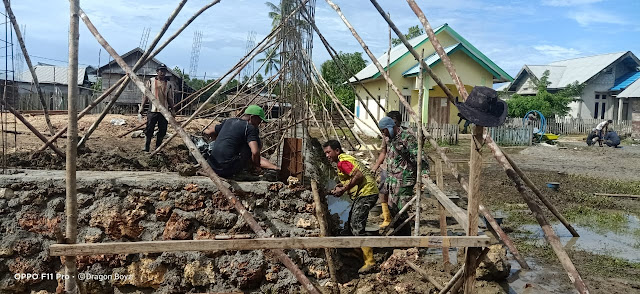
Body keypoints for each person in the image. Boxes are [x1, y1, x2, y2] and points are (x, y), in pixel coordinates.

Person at [323, 140, 378, 273]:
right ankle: (357, 251)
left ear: (337, 151)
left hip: (367, 193)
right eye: (325, 153)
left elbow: (358, 175)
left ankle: (370, 261)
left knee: (357, 225)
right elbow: (352, 177)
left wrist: (344, 189)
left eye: (329, 152)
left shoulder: (342, 162)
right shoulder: (344, 160)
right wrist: (342, 186)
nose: (327, 156)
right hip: (364, 192)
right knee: (350, 225)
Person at [376, 116, 429, 234]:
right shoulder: (389, 138)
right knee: (393, 208)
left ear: (390, 127)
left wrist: (424, 173)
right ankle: (398, 236)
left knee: (401, 209)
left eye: (384, 130)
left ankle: (404, 239)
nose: (383, 133)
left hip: (404, 179)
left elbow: (420, 156)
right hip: (392, 179)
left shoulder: (407, 137)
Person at [202, 105, 279, 178]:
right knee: (256, 143)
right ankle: (251, 169)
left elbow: (209, 132)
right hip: (228, 169)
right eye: (259, 121)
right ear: (252, 118)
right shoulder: (249, 128)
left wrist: (218, 141)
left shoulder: (229, 121)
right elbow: (255, 152)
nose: (259, 124)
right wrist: (257, 166)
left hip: (212, 166)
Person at [371, 111, 403, 228]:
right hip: (387, 167)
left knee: (397, 195)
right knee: (383, 191)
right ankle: (387, 217)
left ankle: (397, 216)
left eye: (394, 123)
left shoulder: (404, 136)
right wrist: (376, 166)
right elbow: (383, 152)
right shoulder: (386, 136)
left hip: (400, 170)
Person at [139, 64, 176, 152]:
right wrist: (142, 107)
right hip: (152, 110)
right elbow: (146, 95)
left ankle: (157, 147)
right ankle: (146, 147)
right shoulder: (151, 81)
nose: (162, 73)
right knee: (149, 129)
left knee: (162, 130)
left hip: (164, 111)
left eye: (164, 71)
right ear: (157, 72)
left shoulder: (169, 84)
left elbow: (170, 98)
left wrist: (173, 110)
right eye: (160, 71)